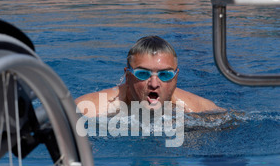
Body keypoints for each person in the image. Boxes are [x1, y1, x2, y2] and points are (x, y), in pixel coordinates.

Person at [76, 35, 224, 117]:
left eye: (165, 74)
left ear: (176, 77)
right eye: (143, 74)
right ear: (128, 76)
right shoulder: (91, 109)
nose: (154, 83)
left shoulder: (199, 110)